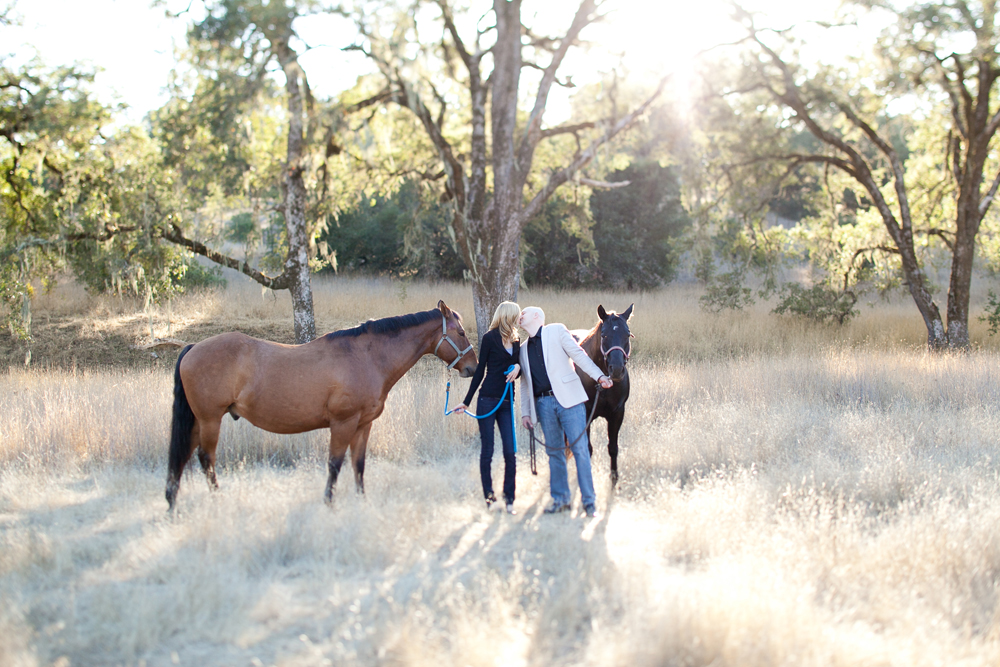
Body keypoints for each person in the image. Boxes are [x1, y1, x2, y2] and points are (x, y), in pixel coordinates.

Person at [518, 306, 613, 518]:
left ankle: (590, 503)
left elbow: (579, 356)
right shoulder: (522, 349)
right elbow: (525, 383)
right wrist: (526, 412)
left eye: (524, 313)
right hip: (543, 405)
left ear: (536, 316)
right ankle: (560, 500)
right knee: (554, 452)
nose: (519, 316)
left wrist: (599, 377)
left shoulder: (557, 330)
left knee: (580, 449)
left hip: (570, 401)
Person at [452, 301, 522, 514]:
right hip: (488, 400)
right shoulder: (489, 338)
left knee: (510, 452)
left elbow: (520, 366)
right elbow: (480, 371)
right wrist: (466, 401)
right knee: (488, 450)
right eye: (516, 316)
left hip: (507, 402)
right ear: (508, 317)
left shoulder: (518, 340)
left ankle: (509, 499)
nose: (519, 319)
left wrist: (518, 366)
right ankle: (489, 498)